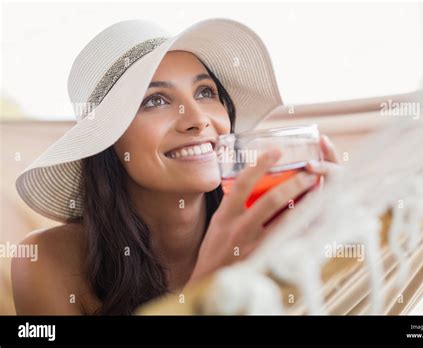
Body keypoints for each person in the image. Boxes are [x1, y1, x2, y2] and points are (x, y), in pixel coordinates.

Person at [12, 19, 340, 315]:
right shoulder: (47, 259)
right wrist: (207, 287)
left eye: (205, 92)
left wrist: (332, 245)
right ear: (107, 142)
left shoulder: (268, 225)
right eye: (155, 100)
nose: (197, 120)